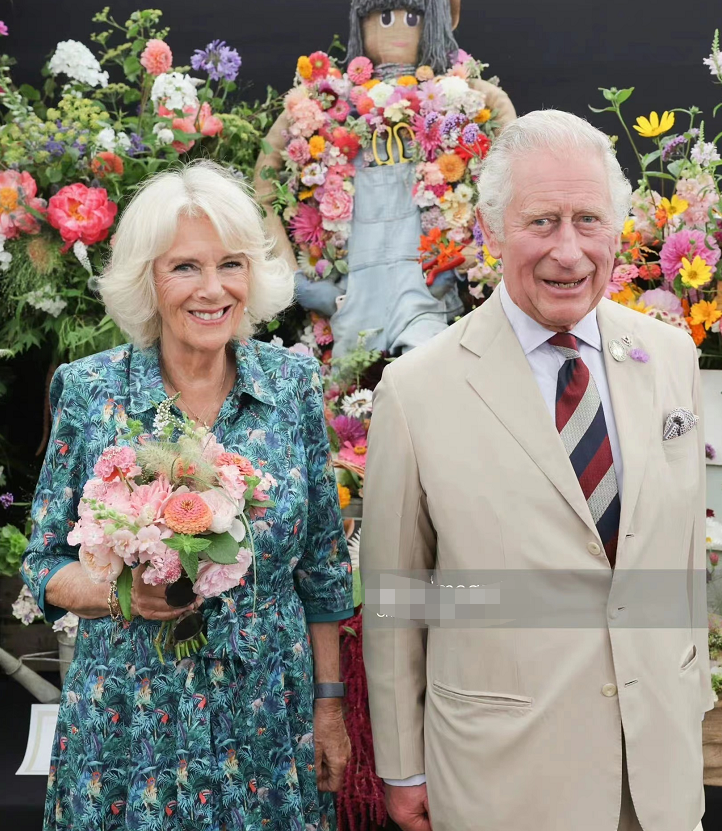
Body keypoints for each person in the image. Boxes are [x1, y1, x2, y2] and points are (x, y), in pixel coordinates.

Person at [360, 110, 713, 831]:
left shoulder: (671, 356)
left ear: (618, 229)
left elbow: (675, 559)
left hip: (657, 767)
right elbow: (400, 596)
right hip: (503, 777)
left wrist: (689, 698)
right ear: (492, 230)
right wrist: (401, 764)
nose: (569, 250)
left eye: (589, 219)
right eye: (542, 221)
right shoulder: (418, 388)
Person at [21, 160, 353, 831]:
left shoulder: (291, 386)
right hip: (132, 724)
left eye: (231, 264)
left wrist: (329, 706)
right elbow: (42, 565)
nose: (213, 289)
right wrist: (118, 591)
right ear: (147, 278)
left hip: (270, 717)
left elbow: (322, 568)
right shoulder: (91, 392)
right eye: (185, 268)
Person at [253, 0, 516, 358]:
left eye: (411, 18)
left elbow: (515, 183)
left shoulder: (468, 98)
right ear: (359, 24)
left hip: (432, 297)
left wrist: (473, 259)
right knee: (350, 397)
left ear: (437, 23)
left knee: (430, 387)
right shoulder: (322, 104)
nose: (394, 30)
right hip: (351, 301)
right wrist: (297, 283)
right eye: (382, 16)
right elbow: (263, 194)